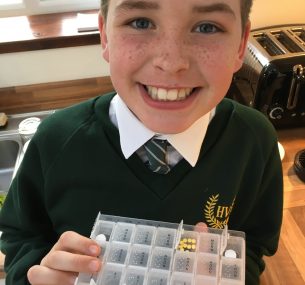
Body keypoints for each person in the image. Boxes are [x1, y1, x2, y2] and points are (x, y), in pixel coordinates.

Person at [0, 0, 283, 284]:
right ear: (105, 36)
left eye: (207, 27)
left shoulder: (255, 141)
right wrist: (38, 275)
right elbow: (20, 236)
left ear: (240, 46)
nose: (171, 63)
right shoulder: (55, 140)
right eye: (141, 23)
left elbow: (255, 245)